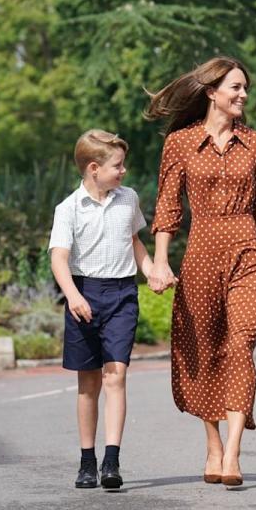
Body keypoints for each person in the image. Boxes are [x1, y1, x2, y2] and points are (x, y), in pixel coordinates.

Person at [144, 56, 256, 488]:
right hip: (201, 253)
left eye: (245, 88)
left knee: (240, 345)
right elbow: (168, 208)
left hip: (248, 252)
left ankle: (232, 452)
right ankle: (211, 443)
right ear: (212, 92)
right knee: (203, 348)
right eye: (235, 88)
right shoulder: (180, 144)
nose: (243, 95)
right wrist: (159, 261)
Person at [49, 129, 155, 489]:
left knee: (117, 374)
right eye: (117, 166)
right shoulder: (68, 209)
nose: (123, 171)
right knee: (88, 382)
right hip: (83, 293)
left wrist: (152, 269)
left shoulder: (128, 199)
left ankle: (112, 460)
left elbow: (135, 241)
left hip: (122, 294)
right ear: (94, 168)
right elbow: (59, 259)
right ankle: (86, 460)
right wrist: (73, 296)